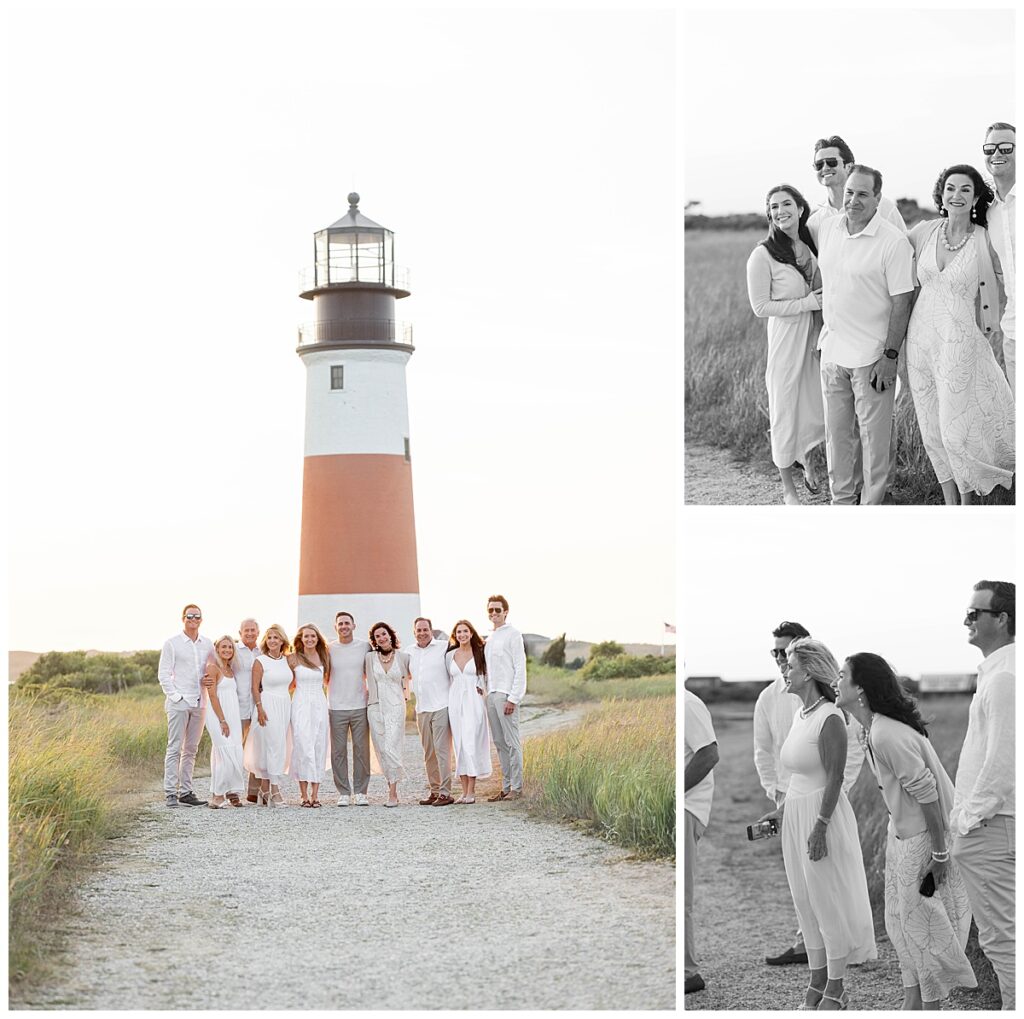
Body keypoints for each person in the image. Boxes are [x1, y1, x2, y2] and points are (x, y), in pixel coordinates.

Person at [836, 652, 975, 1008]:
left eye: (842, 676)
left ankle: (929, 1008)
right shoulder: (873, 730)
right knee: (900, 927)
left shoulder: (886, 734)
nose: (836, 682)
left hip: (924, 840)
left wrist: (939, 855)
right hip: (900, 838)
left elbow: (928, 794)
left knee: (923, 931)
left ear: (861, 689)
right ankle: (911, 1004)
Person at [759, 638, 875, 1010]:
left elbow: (835, 778)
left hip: (822, 817)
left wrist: (821, 826)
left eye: (789, 666)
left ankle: (837, 988)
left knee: (827, 901)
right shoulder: (800, 714)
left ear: (807, 671)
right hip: (795, 814)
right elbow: (798, 775)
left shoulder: (830, 717)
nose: (783, 671)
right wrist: (781, 812)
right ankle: (817, 979)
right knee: (804, 901)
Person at [905, 164, 1014, 504]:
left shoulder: (983, 238)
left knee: (955, 430)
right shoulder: (924, 232)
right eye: (951, 188)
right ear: (941, 193)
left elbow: (1008, 274)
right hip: (920, 342)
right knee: (932, 428)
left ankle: (969, 504)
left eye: (965, 189)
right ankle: (951, 502)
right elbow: (889, 256)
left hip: (960, 341)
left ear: (976, 197)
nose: (957, 195)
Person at [815, 165, 915, 505]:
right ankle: (841, 502)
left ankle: (872, 508)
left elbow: (902, 302)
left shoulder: (892, 241)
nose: (853, 200)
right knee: (837, 437)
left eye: (862, 194)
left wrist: (889, 358)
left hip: (871, 357)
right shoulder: (828, 228)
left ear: (877, 198)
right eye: (849, 192)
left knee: (874, 441)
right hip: (831, 353)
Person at [950, 580, 1015, 1009]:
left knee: (1003, 941)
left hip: (991, 828)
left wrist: (970, 818)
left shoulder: (1007, 675)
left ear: (1003, 618)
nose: (967, 620)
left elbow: (1005, 758)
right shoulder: (996, 670)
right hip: (990, 827)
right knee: (1003, 938)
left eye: (976, 613)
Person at [745, 185, 825, 505]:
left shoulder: (809, 243)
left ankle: (808, 458)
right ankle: (788, 489)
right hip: (785, 338)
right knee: (784, 408)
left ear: (800, 209)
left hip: (814, 335)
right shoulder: (762, 254)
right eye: (774, 207)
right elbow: (761, 308)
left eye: (786, 204)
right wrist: (806, 303)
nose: (780, 211)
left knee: (816, 403)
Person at [157, 604, 212, 807]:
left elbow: (213, 668)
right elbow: (164, 674)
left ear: (201, 620)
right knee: (174, 748)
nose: (193, 619)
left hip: (200, 702)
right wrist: (176, 697)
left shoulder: (207, 644)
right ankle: (171, 792)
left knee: (191, 749)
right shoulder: (172, 643)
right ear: (183, 618)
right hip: (179, 703)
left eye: (197, 616)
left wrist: (209, 681)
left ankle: (186, 792)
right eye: (190, 616)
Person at [684, 687, 719, 996]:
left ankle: (687, 973)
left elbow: (709, 754)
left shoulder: (688, 703)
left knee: (681, 895)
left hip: (685, 807)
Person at [807, 135, 907, 237]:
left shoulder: (882, 207)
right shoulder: (815, 223)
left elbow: (904, 244)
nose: (825, 168)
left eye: (831, 162)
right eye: (819, 164)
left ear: (849, 166)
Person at [243, 624, 294, 807]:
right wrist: (260, 708)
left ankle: (264, 789)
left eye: (276, 638)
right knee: (271, 745)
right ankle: (275, 790)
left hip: (284, 704)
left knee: (278, 745)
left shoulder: (287, 660)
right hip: (267, 704)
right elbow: (254, 688)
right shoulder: (260, 661)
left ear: (282, 641)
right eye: (270, 637)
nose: (272, 641)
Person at [482, 594, 527, 801]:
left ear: (505, 612)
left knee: (512, 742)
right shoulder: (490, 638)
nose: (493, 613)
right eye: (490, 610)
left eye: (497, 610)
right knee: (499, 742)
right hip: (491, 695)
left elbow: (520, 667)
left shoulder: (513, 634)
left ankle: (517, 788)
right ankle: (506, 786)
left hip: (506, 694)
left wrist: (514, 698)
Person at [327, 611, 372, 807]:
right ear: (335, 627)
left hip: (360, 704)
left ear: (354, 625)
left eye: (347, 623)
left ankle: (361, 792)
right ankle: (344, 792)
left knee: (361, 750)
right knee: (338, 752)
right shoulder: (329, 648)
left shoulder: (364, 646)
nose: (344, 626)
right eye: (340, 624)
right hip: (336, 706)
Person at [984, 122, 1016, 395]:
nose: (997, 153)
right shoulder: (989, 212)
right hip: (1014, 333)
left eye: (1007, 147)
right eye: (990, 147)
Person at [408, 616, 455, 806]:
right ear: (414, 632)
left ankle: (446, 792)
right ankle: (434, 791)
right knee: (428, 753)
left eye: (425, 629)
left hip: (441, 706)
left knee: (442, 751)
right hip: (421, 709)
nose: (422, 633)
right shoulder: (408, 652)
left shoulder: (444, 647)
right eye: (418, 630)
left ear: (431, 630)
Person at [364, 622, 411, 807]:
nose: (382, 638)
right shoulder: (369, 658)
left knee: (392, 746)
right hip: (375, 706)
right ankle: (390, 784)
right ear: (374, 641)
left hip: (396, 706)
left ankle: (393, 793)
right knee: (382, 749)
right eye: (377, 636)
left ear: (390, 635)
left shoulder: (404, 657)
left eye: (384, 634)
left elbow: (413, 678)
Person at [445, 619, 492, 804]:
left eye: (465, 631)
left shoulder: (480, 653)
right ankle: (463, 792)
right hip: (455, 702)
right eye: (459, 632)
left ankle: (472, 792)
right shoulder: (450, 655)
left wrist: (483, 690)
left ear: (471, 633)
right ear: (455, 635)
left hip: (474, 701)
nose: (462, 635)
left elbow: (487, 677)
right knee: (460, 745)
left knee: (471, 742)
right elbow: (448, 679)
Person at [288, 623, 331, 808]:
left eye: (313, 636)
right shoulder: (292, 659)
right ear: (300, 639)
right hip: (300, 704)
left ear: (317, 638)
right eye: (306, 636)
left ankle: (315, 795)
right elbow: (287, 683)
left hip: (319, 704)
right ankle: (303, 795)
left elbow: (328, 681)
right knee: (302, 745)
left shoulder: (324, 657)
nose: (310, 639)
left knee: (318, 745)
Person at [202, 636, 246, 808]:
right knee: (224, 753)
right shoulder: (212, 668)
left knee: (234, 753)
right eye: (223, 647)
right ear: (217, 649)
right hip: (217, 715)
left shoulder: (230, 669)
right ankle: (217, 795)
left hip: (233, 715)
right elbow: (212, 696)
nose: (227, 650)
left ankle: (229, 791)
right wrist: (222, 720)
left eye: (230, 647)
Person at [233, 618, 261, 802]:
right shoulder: (233, 650)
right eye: (246, 630)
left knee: (258, 749)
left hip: (258, 707)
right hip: (237, 706)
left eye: (253, 630)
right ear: (240, 632)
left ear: (258, 632)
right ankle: (232, 790)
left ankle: (253, 792)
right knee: (235, 750)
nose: (250, 633)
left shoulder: (264, 651)